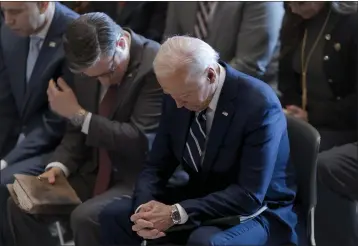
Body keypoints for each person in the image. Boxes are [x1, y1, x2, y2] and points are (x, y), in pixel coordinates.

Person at [98, 36, 298, 246]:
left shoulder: (259, 105)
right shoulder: (178, 91)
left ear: (210, 75)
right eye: (170, 94)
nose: (177, 104)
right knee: (116, 217)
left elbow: (249, 195)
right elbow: (156, 166)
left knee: (204, 242)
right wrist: (145, 210)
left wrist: (175, 213)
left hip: (259, 210)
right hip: (202, 195)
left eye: (184, 96)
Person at [4, 12, 163, 246]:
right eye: (93, 76)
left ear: (121, 43)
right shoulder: (86, 62)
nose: (102, 82)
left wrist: (78, 115)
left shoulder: (154, 64)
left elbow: (139, 140)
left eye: (108, 72)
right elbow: (75, 131)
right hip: (93, 169)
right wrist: (60, 166)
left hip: (134, 176)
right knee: (19, 202)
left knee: (85, 218)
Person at [0, 2, 78, 246]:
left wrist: (6, 160)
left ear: (43, 4)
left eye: (15, 12)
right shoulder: (11, 31)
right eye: (3, 11)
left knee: (5, 184)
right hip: (20, 136)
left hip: (58, 144)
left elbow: (57, 121)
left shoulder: (74, 36)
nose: (7, 20)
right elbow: (6, 102)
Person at [278, 1, 358, 151]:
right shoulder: (295, 18)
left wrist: (312, 116)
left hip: (342, 125)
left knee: (294, 150)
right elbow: (286, 80)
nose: (293, 9)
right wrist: (292, 109)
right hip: (302, 118)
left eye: (301, 3)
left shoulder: (351, 23)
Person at [163, 2, 284, 90]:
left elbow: (249, 65)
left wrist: (195, 87)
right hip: (185, 91)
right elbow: (170, 44)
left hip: (243, 96)